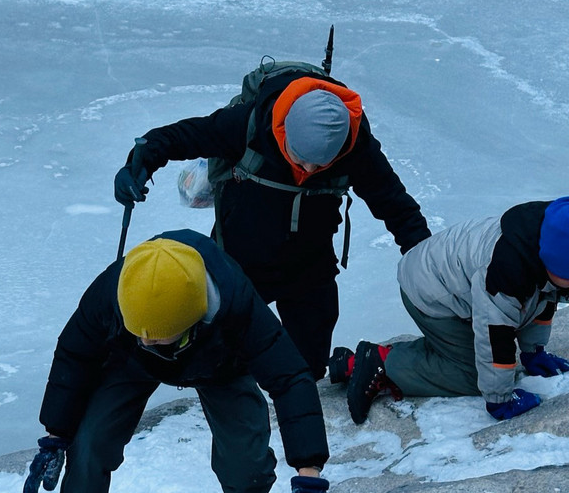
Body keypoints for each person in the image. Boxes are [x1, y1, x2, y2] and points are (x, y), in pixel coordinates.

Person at [6, 230, 343, 493]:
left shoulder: (236, 304)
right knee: (90, 442)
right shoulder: (113, 294)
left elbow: (290, 377)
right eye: (142, 333)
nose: (147, 341)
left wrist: (309, 472)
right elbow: (75, 354)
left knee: (246, 454)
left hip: (219, 363)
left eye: (157, 338)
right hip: (130, 364)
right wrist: (55, 434)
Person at [113, 64, 431, 380]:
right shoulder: (250, 124)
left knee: (306, 369)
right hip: (240, 262)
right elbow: (181, 137)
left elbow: (395, 205)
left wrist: (428, 263)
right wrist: (138, 164)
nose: (306, 168)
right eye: (298, 155)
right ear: (283, 132)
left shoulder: (355, 147)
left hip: (310, 266)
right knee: (225, 366)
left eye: (320, 164)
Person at [331, 196, 569, 424]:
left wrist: (533, 352)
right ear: (550, 260)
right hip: (429, 294)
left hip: (452, 283)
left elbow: (541, 300)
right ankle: (378, 363)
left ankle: (354, 364)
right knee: (474, 375)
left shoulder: (548, 236)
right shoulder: (506, 271)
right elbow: (494, 336)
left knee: (496, 352)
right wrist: (499, 397)